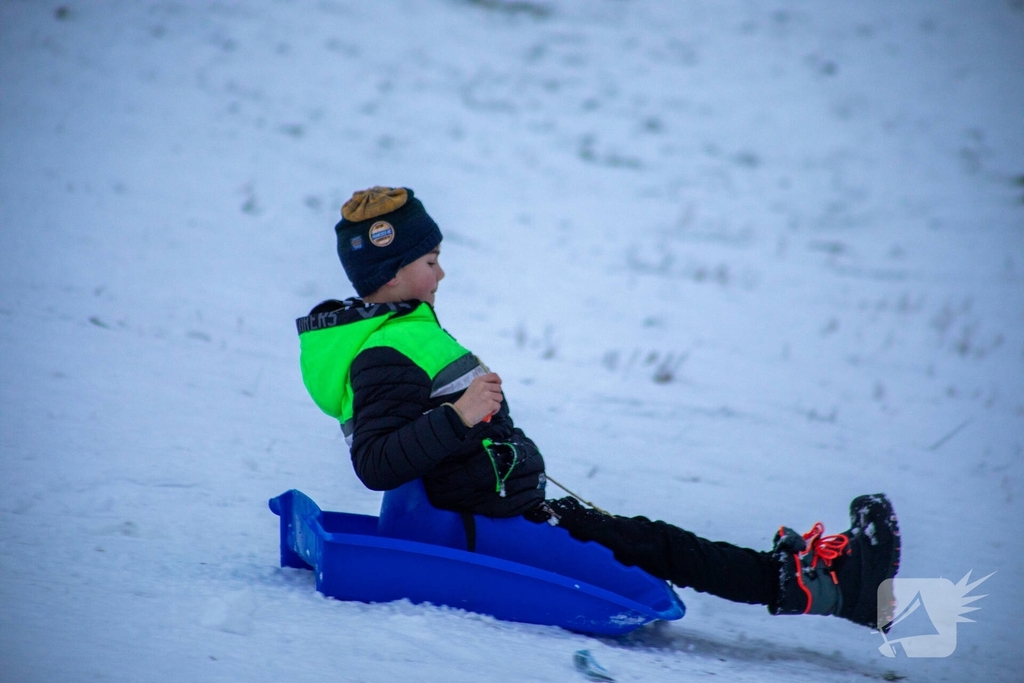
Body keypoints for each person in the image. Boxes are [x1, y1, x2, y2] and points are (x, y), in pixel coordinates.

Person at [296, 186, 901, 630]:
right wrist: (459, 416)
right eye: (429, 262)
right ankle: (819, 585)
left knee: (651, 539)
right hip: (491, 521)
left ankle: (826, 584)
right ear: (394, 271)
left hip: (506, 505)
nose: (442, 271)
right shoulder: (380, 355)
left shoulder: (404, 333)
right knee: (656, 547)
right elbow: (375, 462)